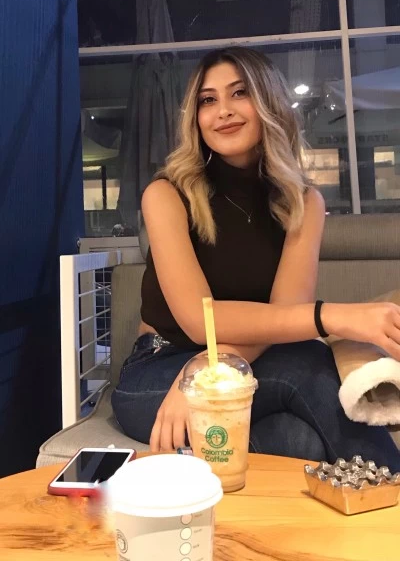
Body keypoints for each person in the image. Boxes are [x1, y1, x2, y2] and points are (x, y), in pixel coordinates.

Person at [112, 46, 400, 470]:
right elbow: (199, 320)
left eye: (239, 93)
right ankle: (391, 494)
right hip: (160, 370)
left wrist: (209, 366)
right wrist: (335, 316)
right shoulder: (167, 194)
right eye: (208, 100)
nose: (223, 111)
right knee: (307, 363)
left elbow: (285, 315)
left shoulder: (303, 202)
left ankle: (200, 468)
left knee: (297, 441)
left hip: (246, 361)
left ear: (269, 102)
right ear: (196, 118)